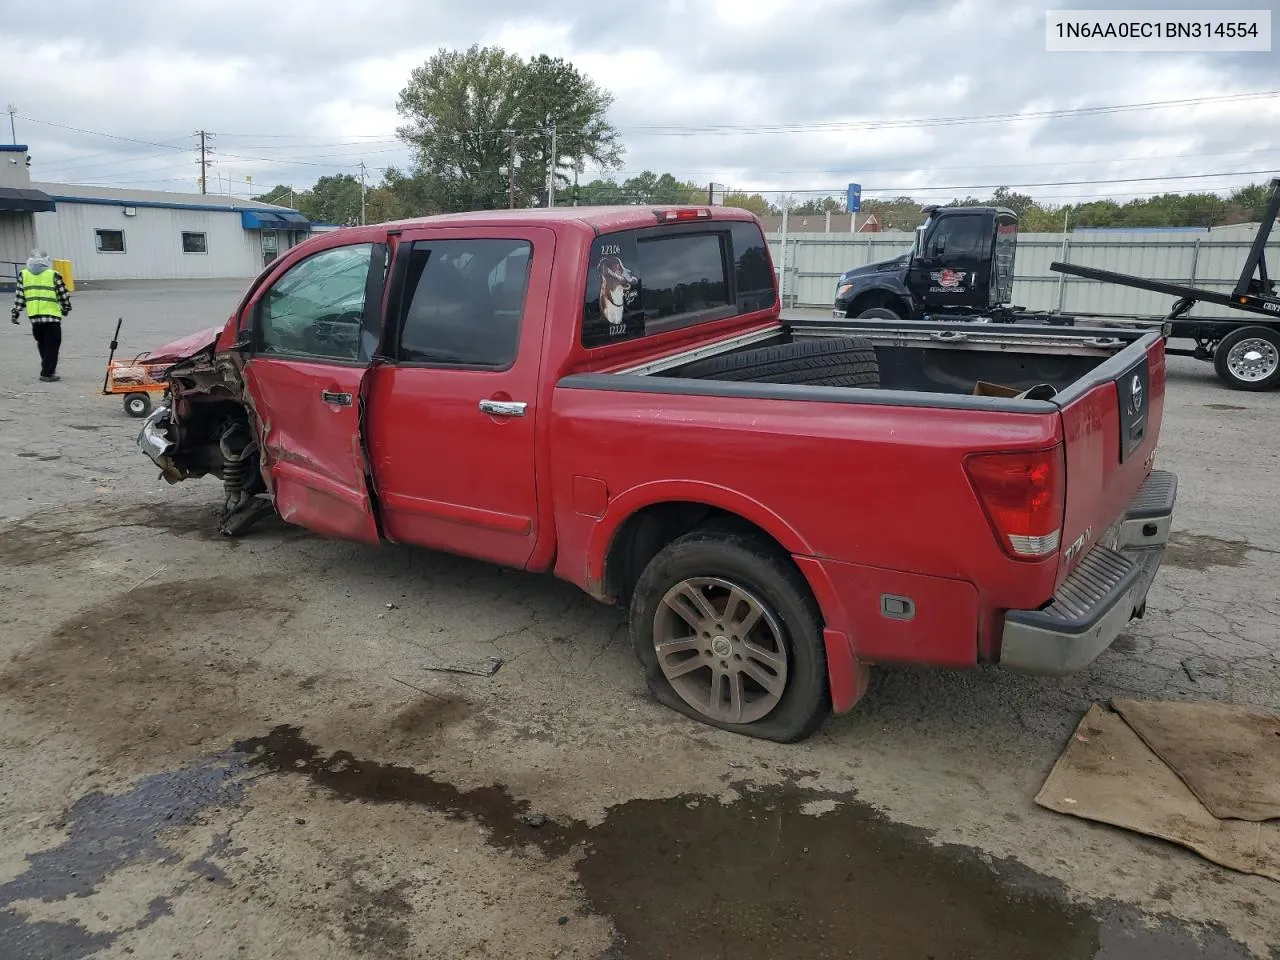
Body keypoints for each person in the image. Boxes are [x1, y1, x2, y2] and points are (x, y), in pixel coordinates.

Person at [10, 249, 72, 382]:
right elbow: (63, 294)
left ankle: (47, 368)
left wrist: (15, 312)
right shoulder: (53, 275)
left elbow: (20, 296)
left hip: (34, 317)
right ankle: (47, 373)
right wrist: (66, 308)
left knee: (42, 344)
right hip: (51, 317)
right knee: (52, 345)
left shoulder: (24, 274)